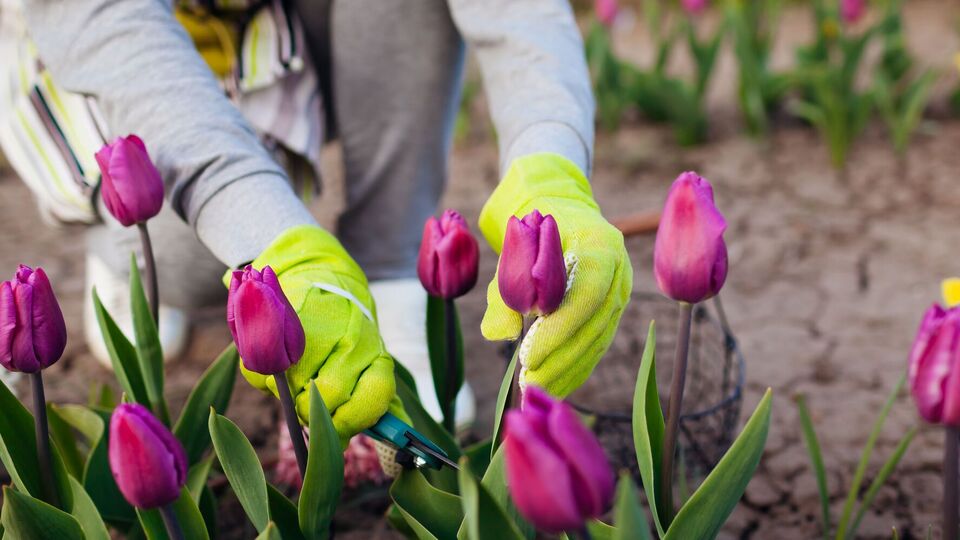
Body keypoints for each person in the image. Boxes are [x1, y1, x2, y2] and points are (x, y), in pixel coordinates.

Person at [0, 0, 632, 439]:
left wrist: (550, 161)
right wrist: (278, 245)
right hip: (113, 68)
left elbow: (518, 13)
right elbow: (123, 42)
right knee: (189, 241)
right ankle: (130, 263)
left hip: (268, 28)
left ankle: (390, 268)